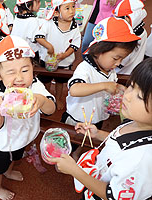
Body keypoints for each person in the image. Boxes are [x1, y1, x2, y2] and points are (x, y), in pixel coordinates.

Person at [51, 58, 152, 200]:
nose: (127, 96)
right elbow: (121, 143)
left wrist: (75, 171)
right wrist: (97, 134)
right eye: (131, 86)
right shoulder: (137, 122)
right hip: (99, 175)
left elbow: (112, 195)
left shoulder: (142, 160)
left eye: (140, 97)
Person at [0, 35, 56, 200]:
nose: (19, 78)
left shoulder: (35, 86)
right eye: (11, 72)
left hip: (23, 137)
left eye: (25, 70)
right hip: (1, 144)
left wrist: (41, 100)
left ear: (33, 67)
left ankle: (9, 171)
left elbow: (51, 109)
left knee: (15, 157)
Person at [62, 17, 139, 160]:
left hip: (97, 116)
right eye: (116, 58)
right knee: (71, 141)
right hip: (78, 118)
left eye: (122, 59)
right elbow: (74, 89)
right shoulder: (85, 69)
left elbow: (112, 85)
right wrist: (104, 86)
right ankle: (65, 158)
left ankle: (78, 152)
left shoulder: (109, 69)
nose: (118, 63)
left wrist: (119, 88)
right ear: (99, 51)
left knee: (87, 139)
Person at [35, 0, 81, 110]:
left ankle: (59, 98)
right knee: (46, 80)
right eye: (67, 8)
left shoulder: (74, 26)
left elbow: (74, 45)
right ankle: (48, 98)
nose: (72, 11)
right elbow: (39, 37)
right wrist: (49, 47)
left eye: (73, 7)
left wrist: (65, 55)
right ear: (56, 12)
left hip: (64, 62)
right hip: (47, 61)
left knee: (61, 81)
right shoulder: (49, 24)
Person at [113, 0, 147, 75]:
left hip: (123, 73)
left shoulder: (132, 37)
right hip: (133, 69)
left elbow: (124, 60)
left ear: (133, 18)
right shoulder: (141, 30)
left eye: (122, 18)